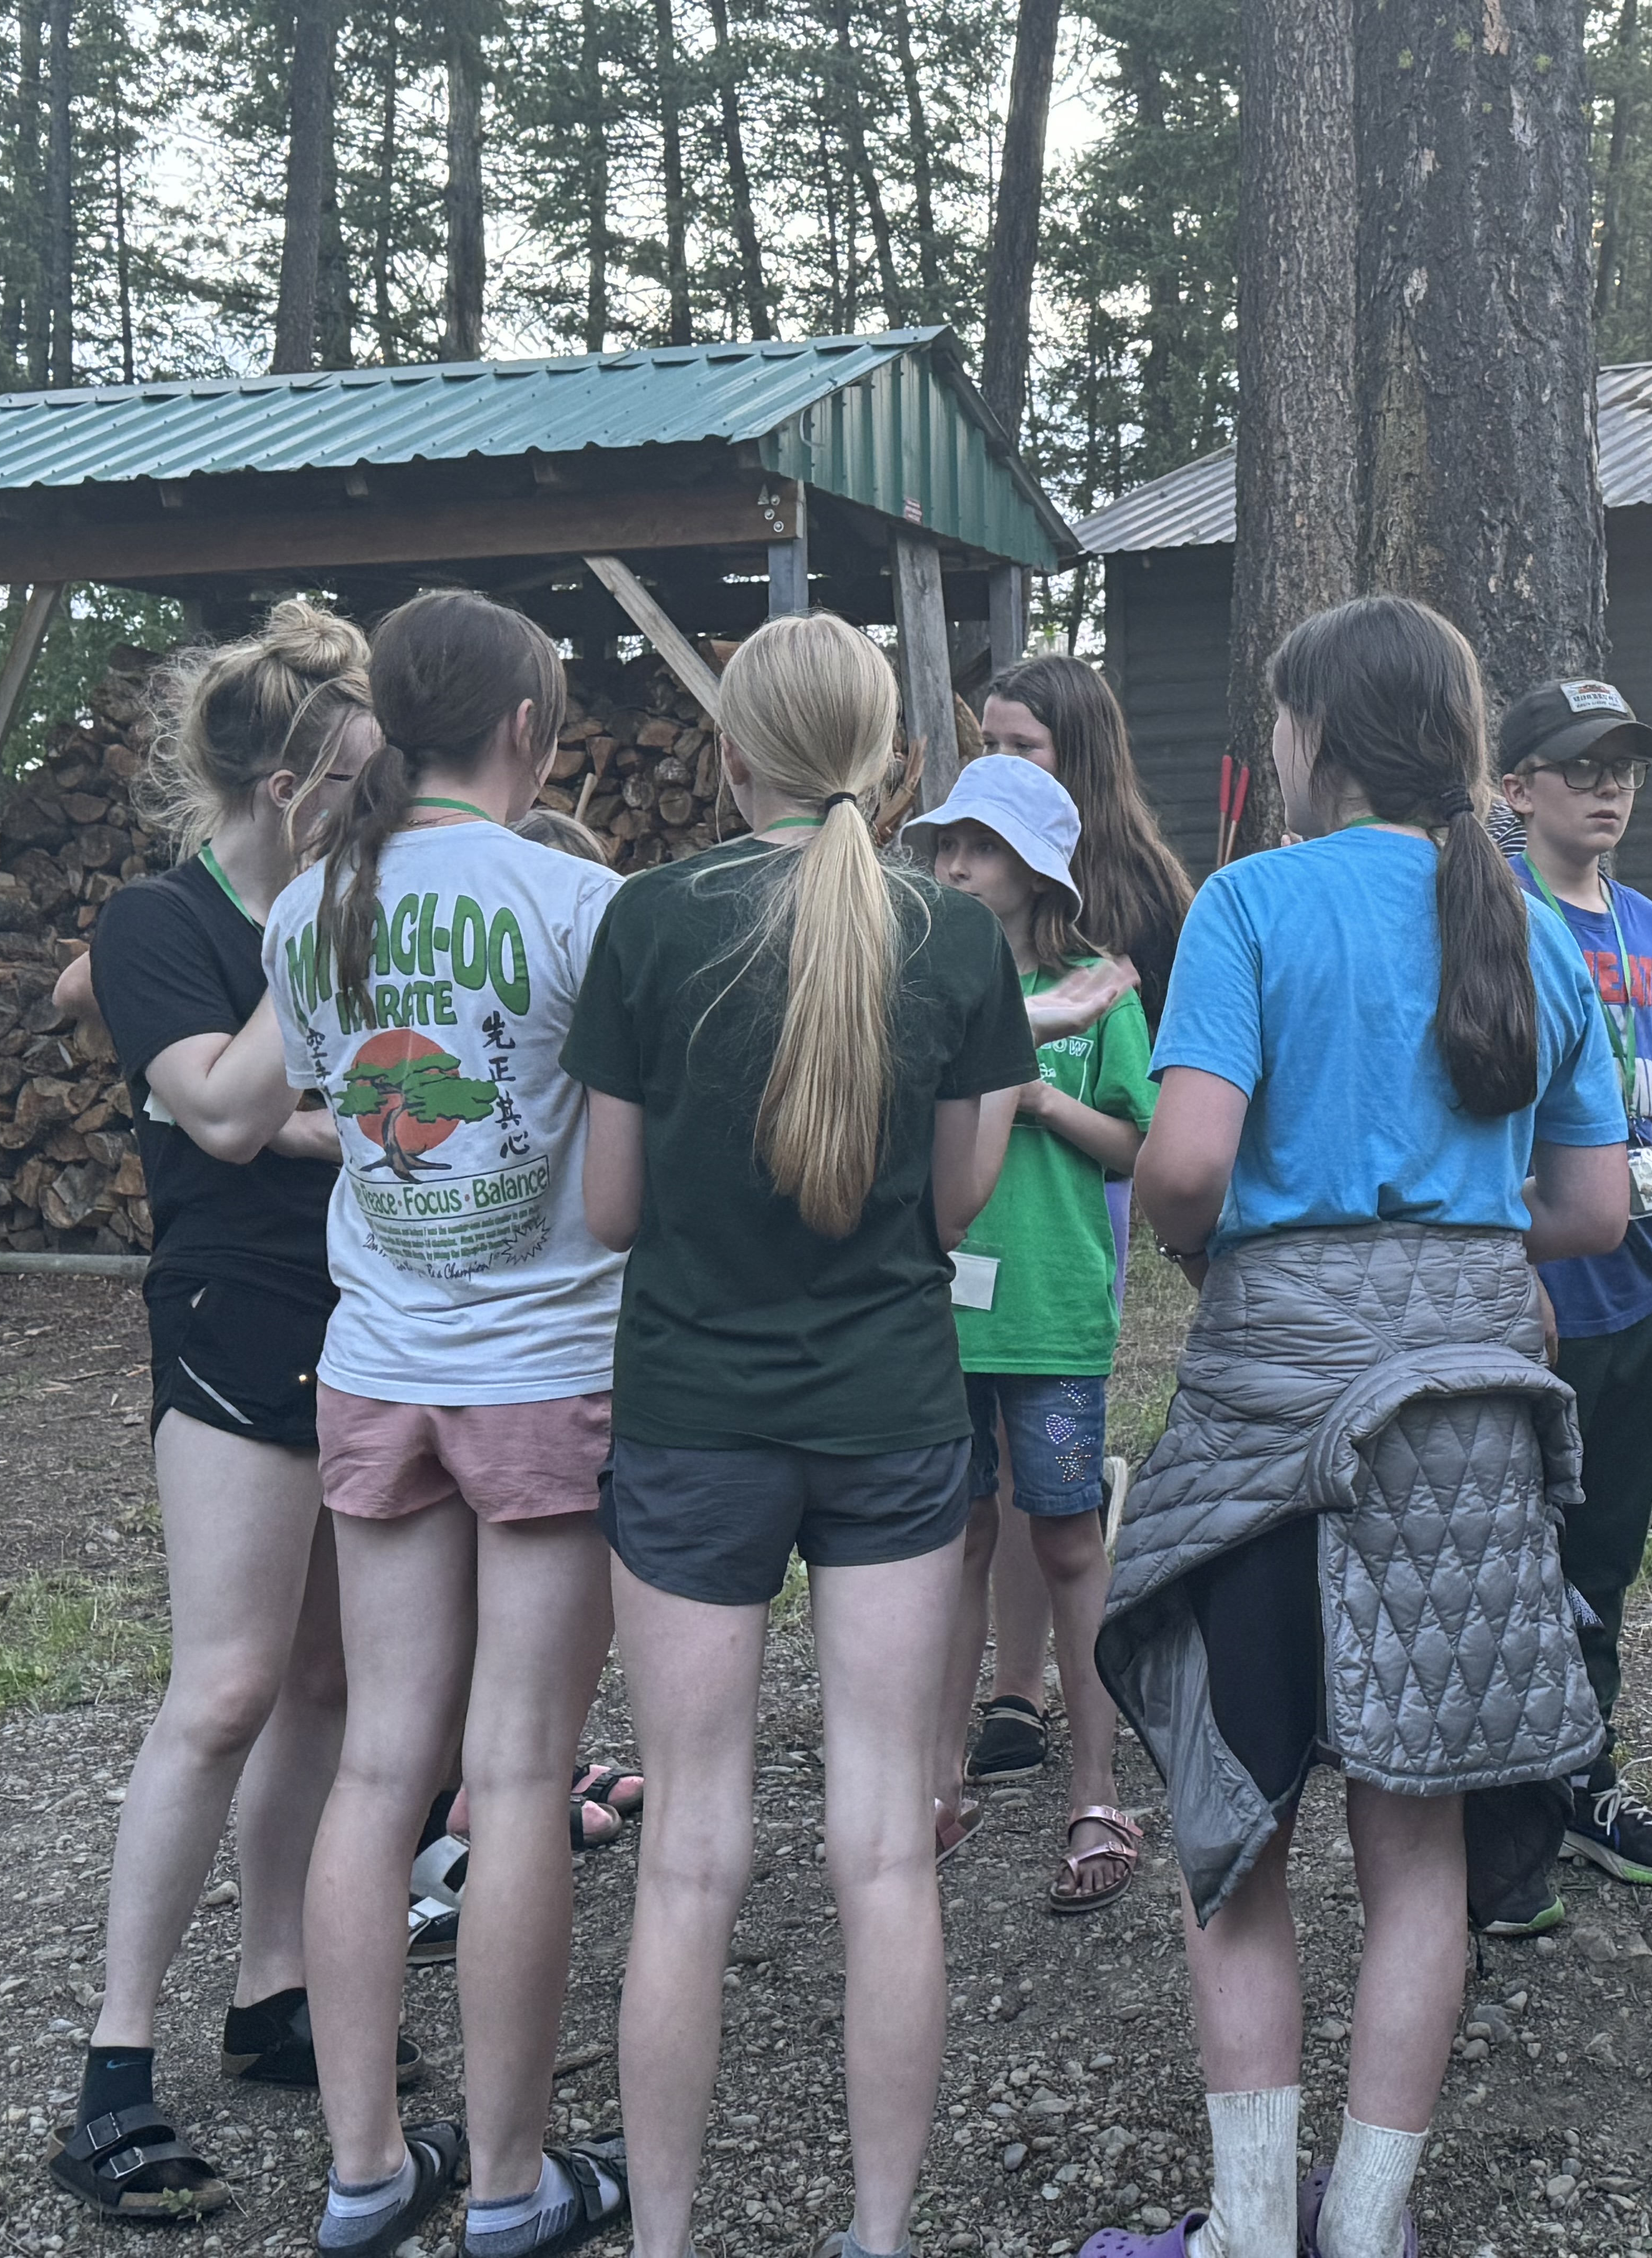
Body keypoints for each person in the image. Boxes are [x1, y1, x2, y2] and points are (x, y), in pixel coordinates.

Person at [1083, 594, 1627, 2258]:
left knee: (1235, 1836)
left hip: (1269, 1408)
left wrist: (1231, 1245)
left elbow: (1180, 1166)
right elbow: (1595, 1210)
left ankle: (1250, 2236)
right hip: (1459, 1431)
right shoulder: (1530, 923)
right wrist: (1447, 1243)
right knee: (1419, 1861)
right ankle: (1366, 2227)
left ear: (1311, 737)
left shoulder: (1251, 903)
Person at [566, 612, 1034, 2258]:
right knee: (881, 1848)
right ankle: (881, 2235)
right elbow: (958, 1197)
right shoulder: (958, 941)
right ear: (897, 763)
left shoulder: (647, 924)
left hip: (692, 1418)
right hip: (893, 1413)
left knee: (689, 1853)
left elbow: (611, 1209)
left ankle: (669, 2237)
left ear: (733, 750)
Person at [266, 590, 632, 2258]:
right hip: (544, 1372)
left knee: (375, 1767)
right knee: (516, 1773)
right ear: (527, 732)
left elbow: (327, 1113)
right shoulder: (580, 903)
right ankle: (507, 2185)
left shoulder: (304, 911)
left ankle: (362, 2175)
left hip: (378, 1366)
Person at [47, 604, 384, 2223]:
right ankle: (114, 2065)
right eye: (350, 783)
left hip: (373, 1309)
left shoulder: (360, 900)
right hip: (233, 1311)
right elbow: (235, 1114)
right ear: (283, 779)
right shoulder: (154, 922)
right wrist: (318, 917)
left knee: (324, 1677)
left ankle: (271, 1999)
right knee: (230, 1682)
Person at [1460, 676, 1652, 1936]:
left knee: (1603, 1557)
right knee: (1517, 1564)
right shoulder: (1495, 919)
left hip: (1639, 1291)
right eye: (1581, 764)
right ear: (1519, 789)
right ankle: (1493, 1827)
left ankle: (1584, 1777)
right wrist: (1516, 1274)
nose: (1609, 786)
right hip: (1539, 1292)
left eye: (1626, 765)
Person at [915, 754, 1155, 1909]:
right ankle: (939, 1774)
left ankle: (1097, 1786)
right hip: (933, 1316)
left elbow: (1141, 1147)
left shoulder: (1102, 991)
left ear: (1037, 870)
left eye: (983, 847)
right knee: (952, 1541)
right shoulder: (914, 979)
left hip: (1054, 1310)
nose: (955, 864)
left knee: (1068, 1542)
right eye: (946, 844)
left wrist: (1041, 1094)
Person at [967, 656, 1193, 1788]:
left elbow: (1158, 1094)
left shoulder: (1143, 892)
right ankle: (1012, 1690)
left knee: (1040, 1459)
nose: (998, 768)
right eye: (987, 745)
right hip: (963, 1231)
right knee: (983, 1479)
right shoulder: (954, 911)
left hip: (1067, 1215)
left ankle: (1062, 1692)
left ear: (1079, 759)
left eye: (1024, 750)